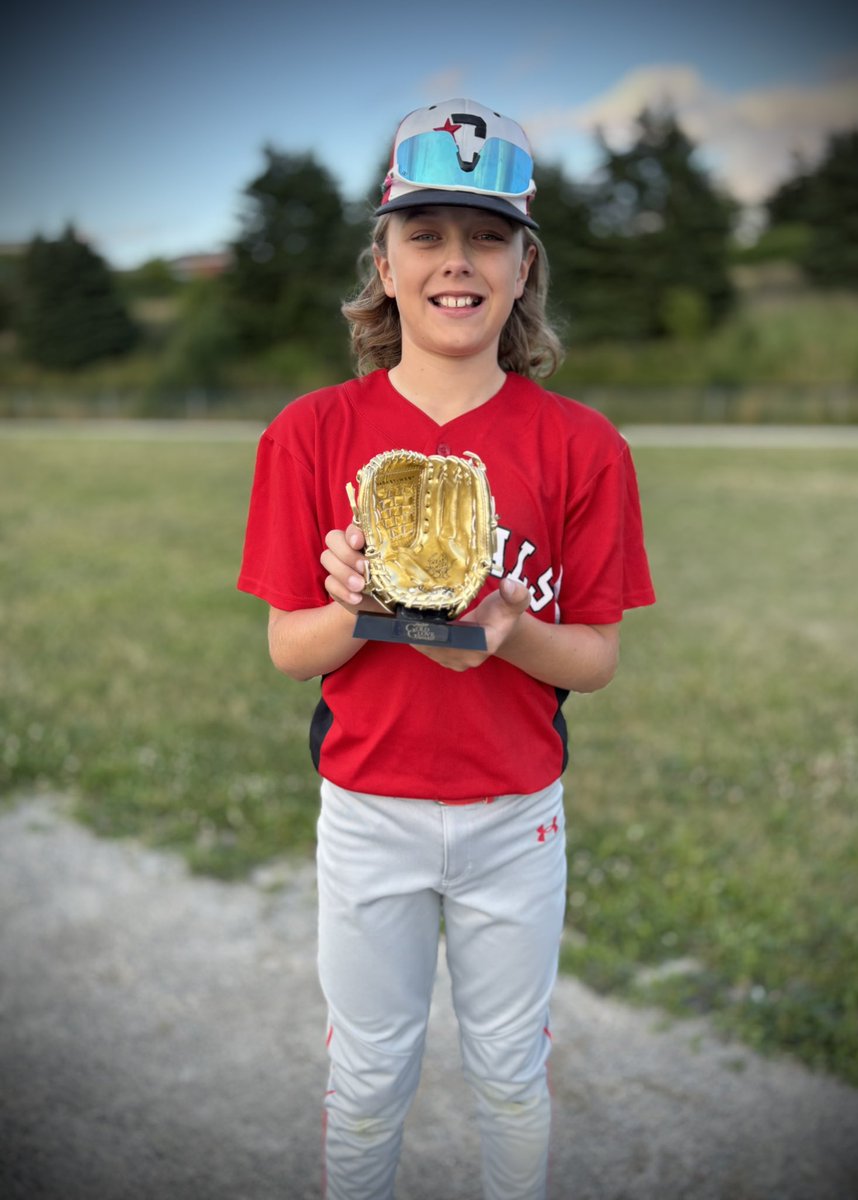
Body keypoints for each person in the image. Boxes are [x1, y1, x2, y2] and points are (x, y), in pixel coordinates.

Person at [237, 97, 655, 1200]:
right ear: (383, 260)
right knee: (370, 1073)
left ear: (526, 267)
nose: (455, 262)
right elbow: (293, 648)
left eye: (487, 236)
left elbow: (598, 657)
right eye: (425, 233)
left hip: (517, 814)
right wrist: (360, 601)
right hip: (369, 808)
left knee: (512, 1073)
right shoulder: (313, 432)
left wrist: (510, 631)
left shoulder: (584, 446)